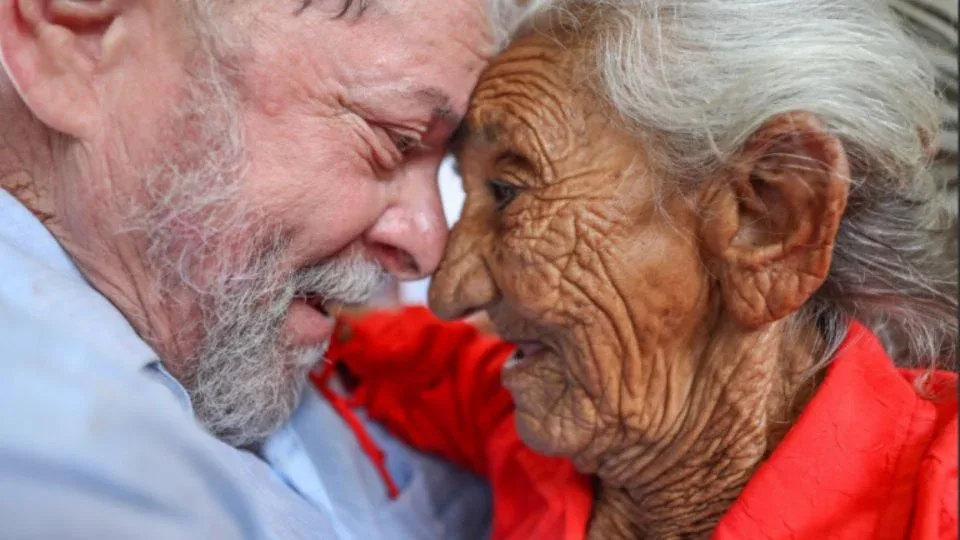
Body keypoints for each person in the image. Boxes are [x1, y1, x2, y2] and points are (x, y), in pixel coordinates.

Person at [316, 1, 959, 538]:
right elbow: (430, 365)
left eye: (510, 192)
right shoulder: (550, 421)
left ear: (772, 216)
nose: (452, 289)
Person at [0, 0, 539, 537]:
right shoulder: (46, 450)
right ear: (72, 40)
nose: (429, 248)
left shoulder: (236, 327)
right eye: (391, 138)